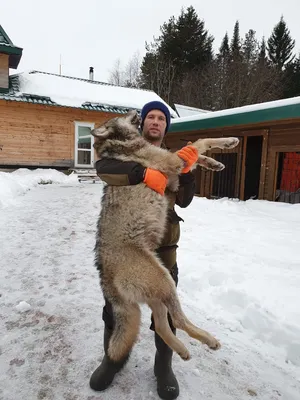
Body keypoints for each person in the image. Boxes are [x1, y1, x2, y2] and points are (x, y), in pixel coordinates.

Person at [89, 101, 198, 400]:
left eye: (161, 118)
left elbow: (185, 199)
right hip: (124, 245)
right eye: (150, 116)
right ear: (142, 123)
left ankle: (163, 367)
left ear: (166, 126)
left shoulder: (172, 158)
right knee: (116, 305)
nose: (155, 121)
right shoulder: (124, 151)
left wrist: (187, 170)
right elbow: (103, 168)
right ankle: (112, 360)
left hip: (163, 245)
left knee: (164, 304)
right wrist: (141, 174)